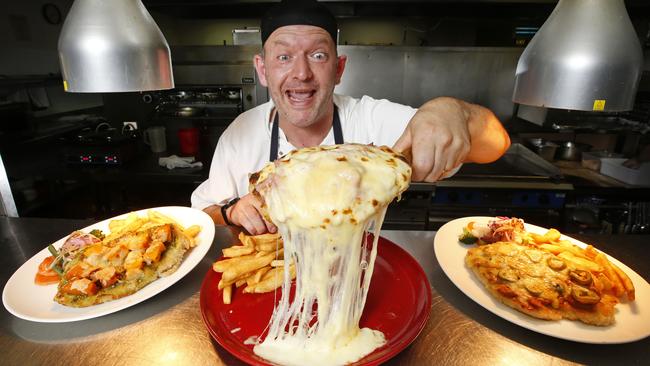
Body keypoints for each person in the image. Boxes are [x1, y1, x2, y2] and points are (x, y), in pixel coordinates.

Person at [191, 0, 510, 235]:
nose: (301, 73)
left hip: (357, 280)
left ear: (339, 69)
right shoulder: (240, 134)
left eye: (318, 56)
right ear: (263, 69)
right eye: (284, 57)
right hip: (271, 291)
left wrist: (453, 110)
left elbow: (496, 145)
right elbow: (201, 217)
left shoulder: (372, 119)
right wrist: (231, 211)